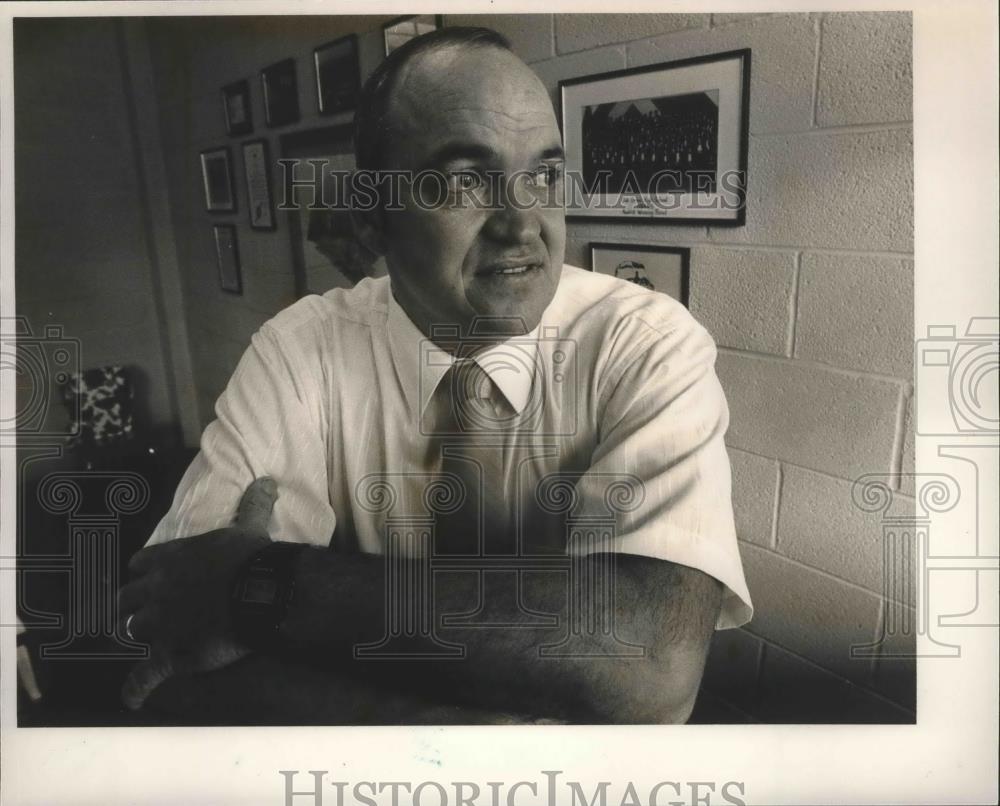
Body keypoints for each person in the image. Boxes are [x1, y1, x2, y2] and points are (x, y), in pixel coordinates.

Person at [118, 27, 752, 725]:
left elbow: (649, 668)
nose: (522, 226)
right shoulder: (300, 352)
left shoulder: (645, 343)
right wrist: (474, 731)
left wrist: (259, 585)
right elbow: (169, 647)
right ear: (372, 215)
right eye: (463, 181)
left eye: (543, 175)